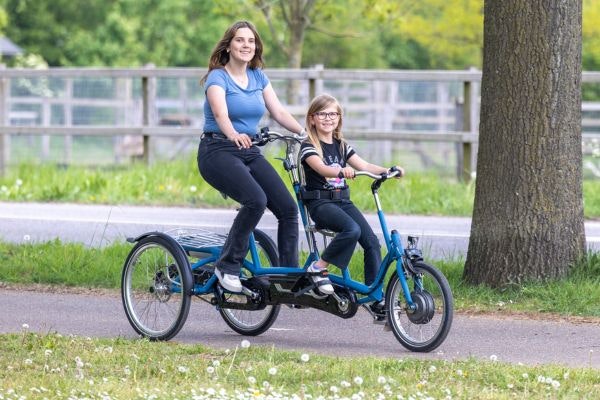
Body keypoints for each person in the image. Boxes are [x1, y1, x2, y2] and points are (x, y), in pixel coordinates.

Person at [198, 20, 304, 293]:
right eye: (240, 40)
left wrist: (305, 134)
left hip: (248, 150)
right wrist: (233, 133)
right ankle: (227, 266)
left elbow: (278, 112)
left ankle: (287, 280)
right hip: (217, 150)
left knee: (289, 209)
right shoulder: (217, 77)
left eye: (251, 41)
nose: (246, 45)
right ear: (229, 45)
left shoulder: (258, 77)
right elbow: (221, 115)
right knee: (256, 199)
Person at [299, 94, 404, 302]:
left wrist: (388, 170)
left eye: (333, 114)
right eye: (322, 114)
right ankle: (319, 267)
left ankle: (374, 297)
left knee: (372, 243)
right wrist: (339, 171)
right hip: (321, 204)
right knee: (352, 229)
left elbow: (364, 166)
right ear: (312, 118)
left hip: (343, 202)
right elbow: (321, 168)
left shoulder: (341, 145)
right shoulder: (308, 146)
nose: (328, 118)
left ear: (339, 118)